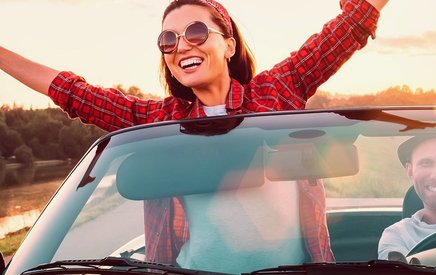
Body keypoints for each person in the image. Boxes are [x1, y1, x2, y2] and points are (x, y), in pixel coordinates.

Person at [1, 0, 389, 271]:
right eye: (168, 40)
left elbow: (349, 27)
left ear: (229, 44)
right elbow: (73, 92)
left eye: (197, 31)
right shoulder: (160, 120)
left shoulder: (277, 90)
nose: (181, 45)